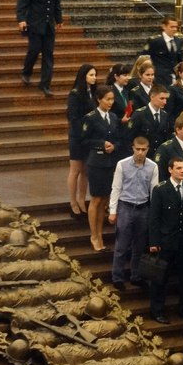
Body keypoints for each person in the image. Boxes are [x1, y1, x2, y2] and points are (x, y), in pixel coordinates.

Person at [109, 135, 159, 290]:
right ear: (133, 148)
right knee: (121, 246)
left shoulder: (153, 166)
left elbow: (154, 192)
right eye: (138, 149)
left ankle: (135, 275)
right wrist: (112, 211)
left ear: (148, 150)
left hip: (143, 208)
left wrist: (154, 214)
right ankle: (117, 277)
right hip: (125, 206)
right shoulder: (122, 164)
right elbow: (116, 188)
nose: (140, 153)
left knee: (139, 246)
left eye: (143, 150)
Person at [148, 157, 183, 324]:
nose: (182, 171)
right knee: (160, 278)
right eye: (179, 168)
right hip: (166, 240)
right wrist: (153, 242)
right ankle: (157, 310)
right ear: (170, 170)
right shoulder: (160, 189)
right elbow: (154, 218)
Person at [80, 85, 120, 252]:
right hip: (96, 162)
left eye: (112, 99)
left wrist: (114, 146)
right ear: (99, 99)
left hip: (110, 162)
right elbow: (83, 140)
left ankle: (100, 233)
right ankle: (94, 235)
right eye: (107, 99)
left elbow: (119, 139)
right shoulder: (90, 118)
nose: (110, 102)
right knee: (96, 199)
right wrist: (101, 144)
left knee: (105, 200)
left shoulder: (113, 117)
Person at [17, 0, 62, 97]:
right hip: (35, 24)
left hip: (49, 25)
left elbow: (56, 2)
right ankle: (27, 72)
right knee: (34, 50)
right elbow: (22, 3)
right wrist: (22, 19)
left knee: (48, 55)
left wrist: (58, 19)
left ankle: (45, 84)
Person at [65, 64, 96, 216]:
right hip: (78, 137)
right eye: (91, 75)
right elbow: (73, 117)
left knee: (86, 171)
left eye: (95, 75)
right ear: (83, 76)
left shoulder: (93, 92)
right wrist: (82, 134)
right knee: (75, 170)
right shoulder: (75, 94)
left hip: (89, 137)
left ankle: (82, 199)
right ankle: (72, 202)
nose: (94, 78)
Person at [141, 15, 182, 88]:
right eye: (172, 27)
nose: (175, 29)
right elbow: (145, 58)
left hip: (174, 76)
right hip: (159, 77)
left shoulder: (178, 41)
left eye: (176, 27)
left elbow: (179, 59)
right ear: (164, 26)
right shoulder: (155, 41)